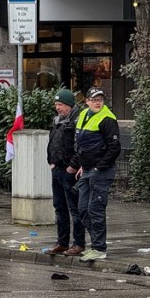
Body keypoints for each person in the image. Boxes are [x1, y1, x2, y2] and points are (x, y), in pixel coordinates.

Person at [72, 87, 121, 262]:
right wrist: (81, 165)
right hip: (87, 169)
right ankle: (96, 243)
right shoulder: (84, 115)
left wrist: (98, 167)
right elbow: (81, 144)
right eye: (94, 100)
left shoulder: (107, 119)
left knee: (95, 209)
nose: (98, 102)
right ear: (87, 101)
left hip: (101, 171)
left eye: (100, 99)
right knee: (82, 209)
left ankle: (100, 248)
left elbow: (114, 148)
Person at [46, 88, 85, 256]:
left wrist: (73, 166)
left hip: (70, 171)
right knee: (59, 206)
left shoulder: (77, 120)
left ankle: (78, 244)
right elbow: (53, 142)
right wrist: (51, 161)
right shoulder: (58, 120)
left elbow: (80, 145)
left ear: (69, 105)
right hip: (57, 169)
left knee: (74, 208)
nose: (58, 108)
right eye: (56, 104)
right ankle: (62, 242)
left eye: (60, 104)